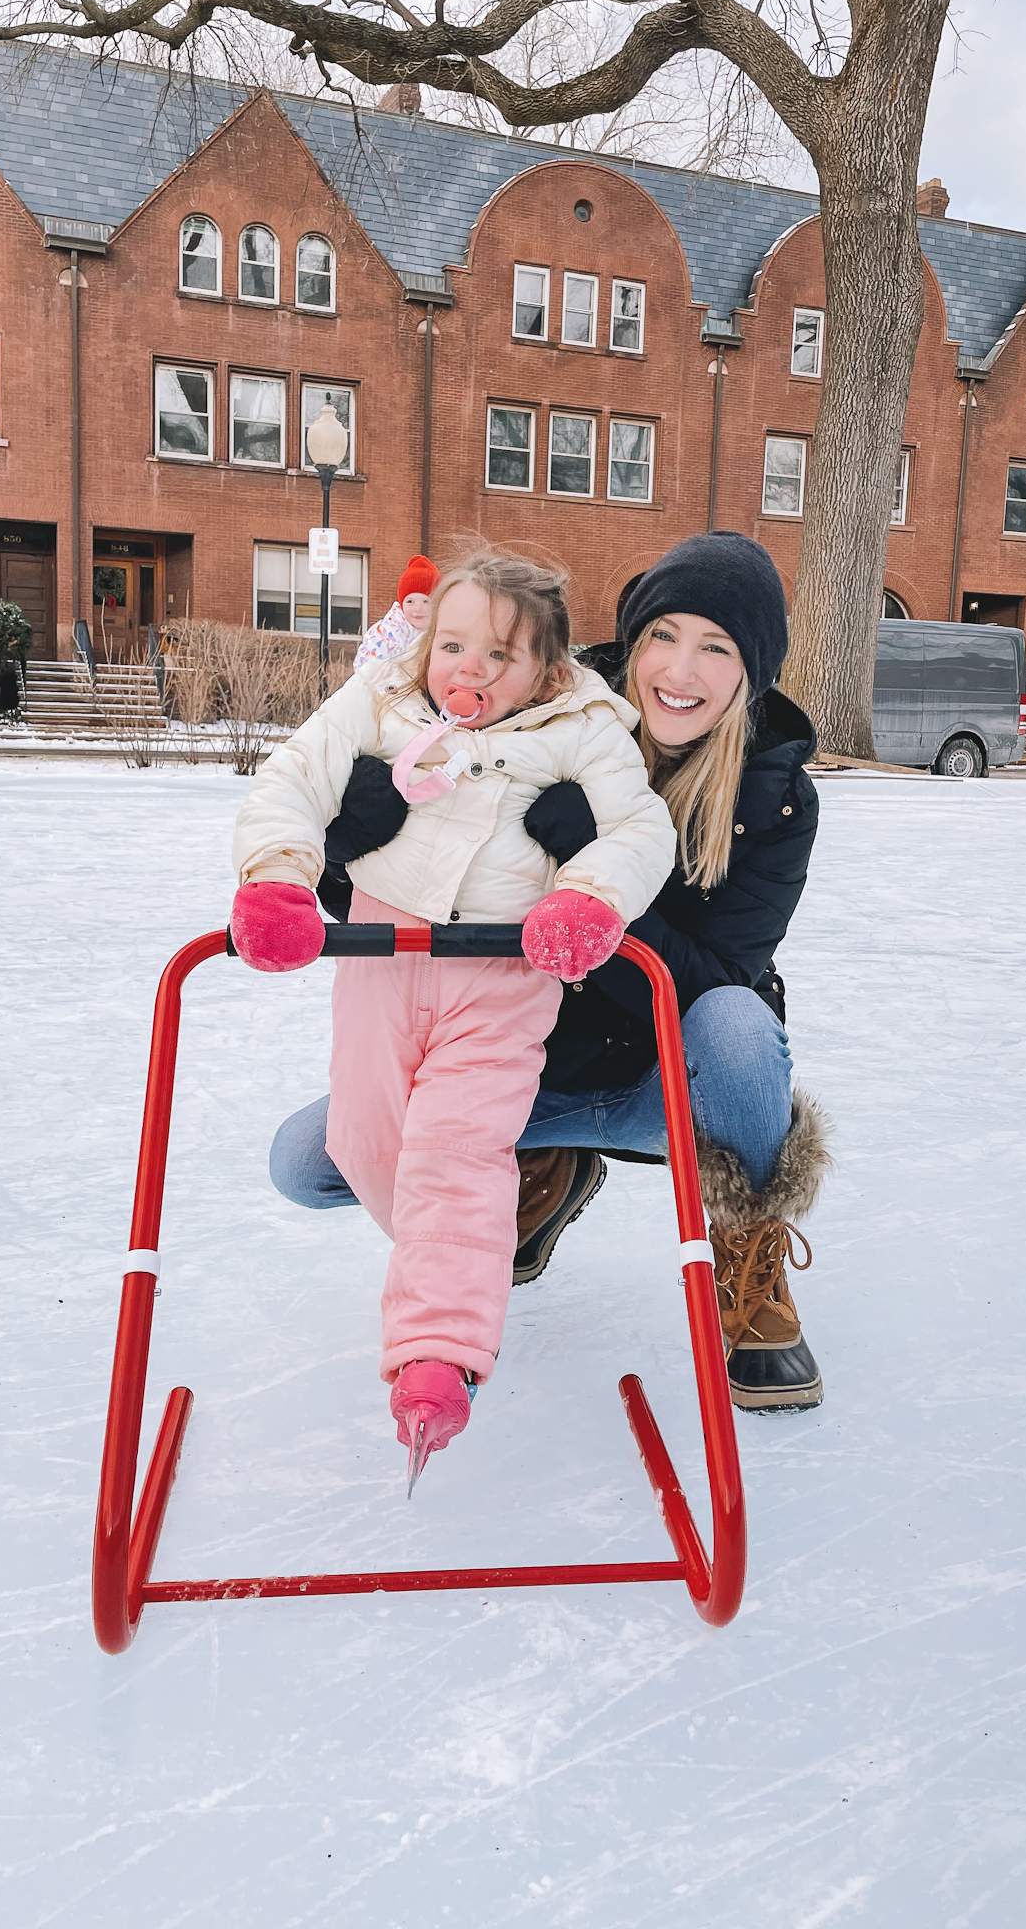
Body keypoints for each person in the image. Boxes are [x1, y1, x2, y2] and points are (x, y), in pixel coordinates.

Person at [272, 532, 830, 1414]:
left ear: (750, 672)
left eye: (716, 648)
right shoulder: (543, 713)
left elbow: (715, 974)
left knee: (737, 1024)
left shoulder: (774, 796)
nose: (680, 669)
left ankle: (747, 1249)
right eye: (663, 635)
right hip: (522, 1062)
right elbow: (428, 892)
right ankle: (548, 1165)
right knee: (310, 1161)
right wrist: (348, 845)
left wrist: (595, 888)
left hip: (665, 1079)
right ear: (630, 639)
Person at [231, 552, 677, 1476]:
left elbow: (642, 830)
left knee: (456, 1151)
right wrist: (279, 873)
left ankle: (440, 1359)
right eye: (456, 646)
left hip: (502, 968)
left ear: (547, 672)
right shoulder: (384, 699)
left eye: (500, 656)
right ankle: (464, 1257)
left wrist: (586, 899)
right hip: (383, 953)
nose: (469, 670)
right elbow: (296, 774)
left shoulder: (584, 726)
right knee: (365, 1141)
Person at [353, 554, 439, 670]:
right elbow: (370, 673)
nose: (418, 608)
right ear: (401, 605)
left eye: (426, 601)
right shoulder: (386, 634)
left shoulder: (440, 633)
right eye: (410, 601)